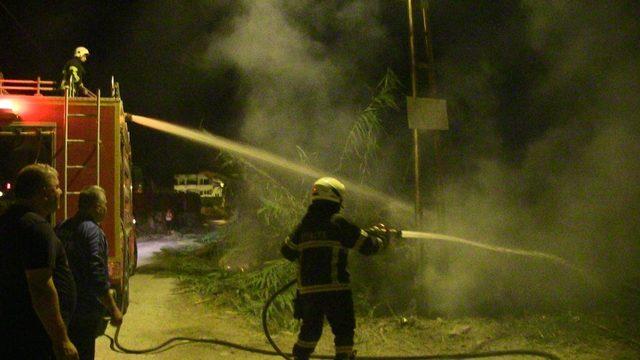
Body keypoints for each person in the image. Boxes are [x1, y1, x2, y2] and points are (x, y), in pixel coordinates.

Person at [281, 177, 390, 360]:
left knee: (310, 331)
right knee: (344, 330)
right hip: (336, 290)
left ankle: (299, 357)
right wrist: (384, 240)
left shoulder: (303, 226)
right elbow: (368, 247)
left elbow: (287, 251)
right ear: (336, 197)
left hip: (308, 291)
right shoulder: (338, 222)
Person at [0, 164, 78, 360]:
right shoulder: (36, 227)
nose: (61, 191)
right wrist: (61, 340)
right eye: (57, 186)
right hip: (34, 336)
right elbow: (40, 287)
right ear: (44, 193)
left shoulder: (9, 221)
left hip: (14, 331)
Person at [56, 185, 123, 360]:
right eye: (105, 204)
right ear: (98, 207)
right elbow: (97, 273)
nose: (107, 208)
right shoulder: (93, 231)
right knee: (84, 352)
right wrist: (113, 309)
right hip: (84, 311)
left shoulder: (62, 227)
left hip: (63, 307)